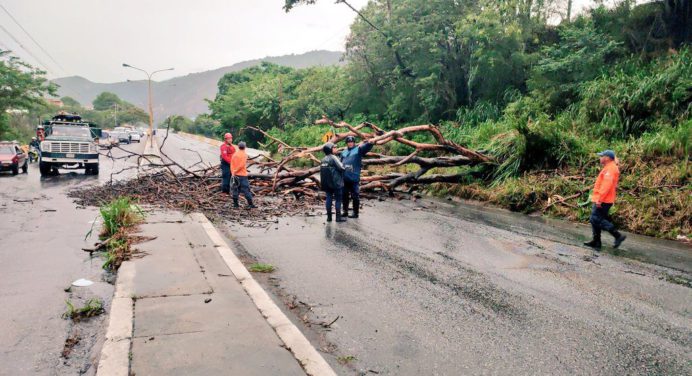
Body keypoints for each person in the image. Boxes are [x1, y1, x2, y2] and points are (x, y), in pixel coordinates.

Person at [584, 150, 626, 250]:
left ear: (607, 158)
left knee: (595, 218)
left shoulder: (611, 169)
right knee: (594, 219)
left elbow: (606, 186)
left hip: (604, 200)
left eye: (601, 156)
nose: (600, 158)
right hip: (602, 199)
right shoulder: (609, 167)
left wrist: (600, 199)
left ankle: (618, 236)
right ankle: (596, 241)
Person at [340, 135, 373, 218]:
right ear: (346, 143)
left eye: (351, 142)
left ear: (354, 142)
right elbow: (340, 163)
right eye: (348, 142)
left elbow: (368, 146)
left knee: (355, 196)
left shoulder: (359, 149)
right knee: (344, 195)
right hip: (345, 178)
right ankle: (345, 211)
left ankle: (355, 213)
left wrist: (371, 141)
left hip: (354, 178)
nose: (350, 143)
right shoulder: (343, 152)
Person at [320, 142, 346, 222]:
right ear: (330, 150)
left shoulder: (323, 159)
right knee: (338, 199)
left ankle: (329, 217)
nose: (336, 149)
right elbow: (342, 168)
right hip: (336, 183)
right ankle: (338, 217)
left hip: (327, 184)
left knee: (329, 198)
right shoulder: (333, 157)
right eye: (334, 148)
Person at [231, 141, 256, 209]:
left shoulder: (235, 154)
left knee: (235, 189)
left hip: (235, 175)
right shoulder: (244, 155)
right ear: (245, 147)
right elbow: (242, 165)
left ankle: (236, 205)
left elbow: (231, 164)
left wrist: (233, 172)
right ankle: (250, 204)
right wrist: (236, 170)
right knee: (246, 190)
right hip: (242, 175)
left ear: (238, 147)